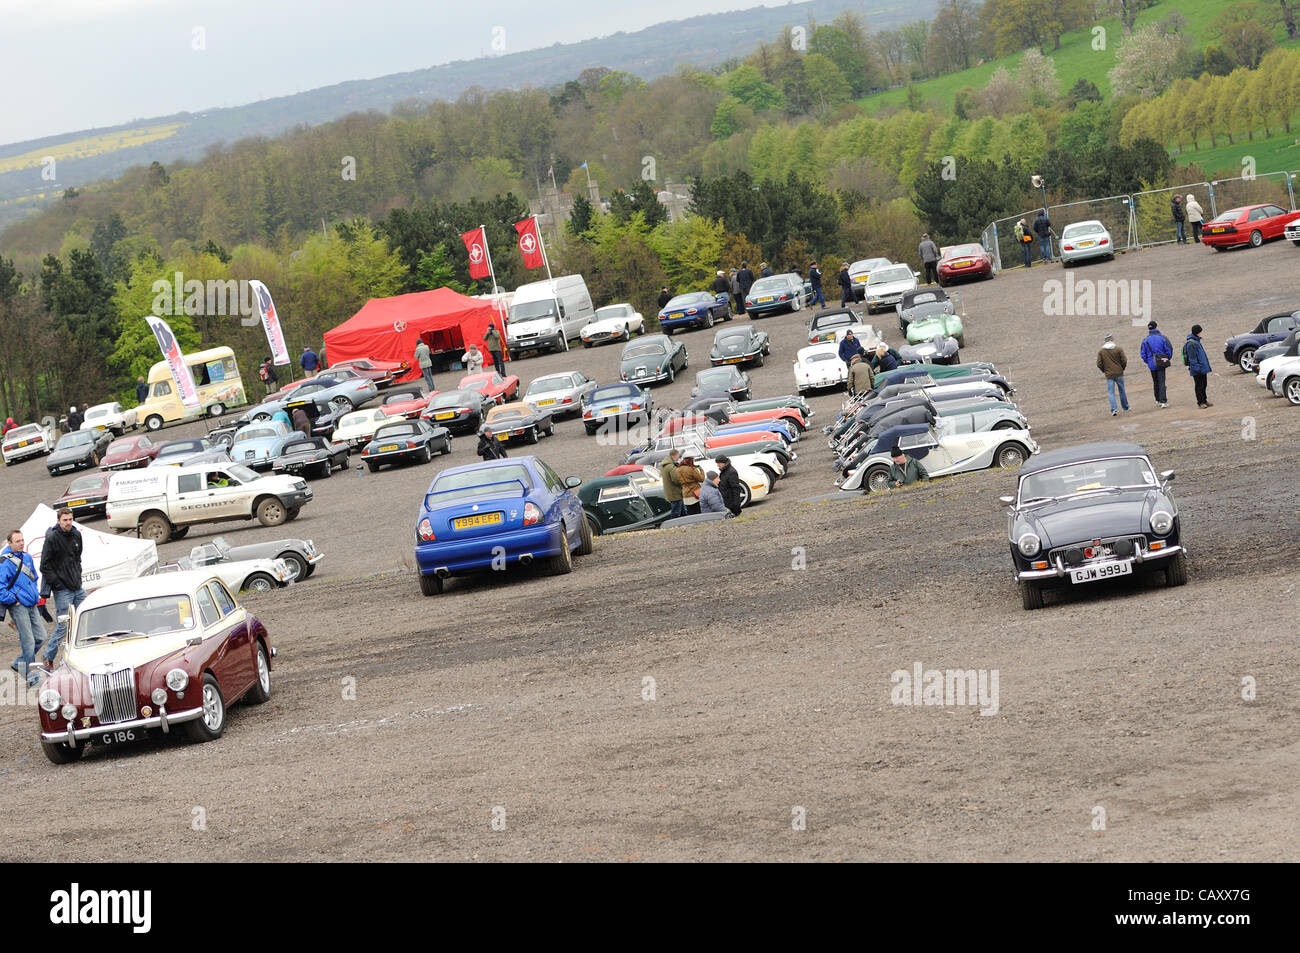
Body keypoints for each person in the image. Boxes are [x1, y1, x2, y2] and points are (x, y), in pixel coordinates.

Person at [39, 507, 85, 668]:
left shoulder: (77, 534)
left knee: (84, 618)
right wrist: (57, 583)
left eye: (70, 519)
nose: (68, 522)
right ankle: (48, 656)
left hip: (77, 586)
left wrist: (77, 574)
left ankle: (80, 652)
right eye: (65, 520)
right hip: (62, 590)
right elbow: (44, 566)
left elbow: (78, 558)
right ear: (59, 520)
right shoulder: (52, 538)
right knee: (64, 624)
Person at [1, 530, 46, 686]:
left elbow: (34, 576)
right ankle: (32, 676)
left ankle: (20, 663)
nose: (21, 543)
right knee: (28, 642)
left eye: (22, 540)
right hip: (18, 607)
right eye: (17, 541)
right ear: (10, 543)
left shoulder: (26, 557)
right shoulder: (4, 562)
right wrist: (14, 599)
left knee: (41, 637)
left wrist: (33, 593)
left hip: (31, 603)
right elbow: (0, 588)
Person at [1139, 321, 1173, 408]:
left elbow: (1143, 354)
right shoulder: (1162, 338)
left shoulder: (1145, 340)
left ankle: (1157, 400)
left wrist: (1148, 361)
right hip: (1161, 362)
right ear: (1156, 327)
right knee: (1162, 382)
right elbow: (1169, 349)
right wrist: (1167, 358)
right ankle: (1163, 401)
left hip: (1151, 364)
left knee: (1155, 382)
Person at [1097, 333, 1130, 416]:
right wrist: (1122, 368)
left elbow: (1099, 364)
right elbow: (1124, 360)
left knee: (1111, 392)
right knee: (1122, 390)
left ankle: (1114, 409)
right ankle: (1125, 407)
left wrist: (1104, 370)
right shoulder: (1118, 349)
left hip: (1109, 374)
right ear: (1112, 340)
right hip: (1119, 373)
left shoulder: (1101, 351)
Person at [1184, 325, 1213, 408]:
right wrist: (1197, 369)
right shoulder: (1191, 344)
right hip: (1197, 369)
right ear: (1197, 332)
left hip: (1202, 368)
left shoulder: (1196, 341)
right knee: (1199, 385)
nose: (1201, 333)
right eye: (1200, 331)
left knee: (1204, 384)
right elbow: (1192, 358)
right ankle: (1200, 402)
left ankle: (1204, 400)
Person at [659, 449, 685, 519]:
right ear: (676, 455)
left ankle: (685, 523)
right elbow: (676, 480)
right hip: (675, 493)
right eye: (678, 456)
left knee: (682, 511)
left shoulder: (664, 465)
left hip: (671, 492)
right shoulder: (671, 466)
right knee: (676, 512)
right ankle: (673, 525)